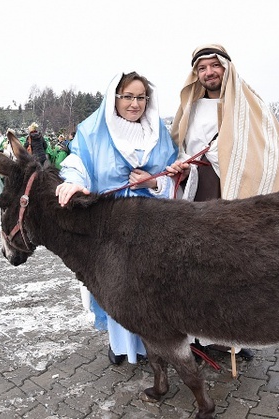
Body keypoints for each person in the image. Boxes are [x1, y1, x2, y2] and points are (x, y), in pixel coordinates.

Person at [167, 44, 279, 361]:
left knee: (236, 269)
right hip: (200, 192)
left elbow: (267, 151)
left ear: (226, 67)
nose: (208, 72)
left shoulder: (250, 104)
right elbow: (179, 147)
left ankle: (234, 338)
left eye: (214, 66)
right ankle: (198, 335)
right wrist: (182, 164)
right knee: (197, 268)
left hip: (237, 195)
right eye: (202, 68)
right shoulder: (191, 108)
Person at [57, 71, 177, 365]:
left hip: (151, 226)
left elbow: (176, 176)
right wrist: (71, 181)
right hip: (110, 227)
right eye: (128, 97)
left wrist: (153, 182)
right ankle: (121, 346)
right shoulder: (93, 132)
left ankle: (152, 345)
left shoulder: (159, 134)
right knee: (116, 287)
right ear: (115, 98)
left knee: (149, 288)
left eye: (140, 98)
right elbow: (77, 162)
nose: (134, 104)